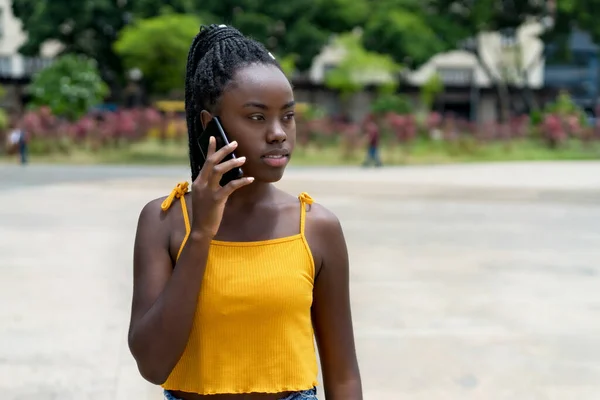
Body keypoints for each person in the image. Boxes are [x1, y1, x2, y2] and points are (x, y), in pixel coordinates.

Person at [128, 24, 363, 400]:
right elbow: (153, 365)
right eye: (257, 117)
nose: (278, 133)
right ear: (211, 126)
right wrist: (202, 233)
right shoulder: (166, 221)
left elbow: (344, 376)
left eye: (287, 116)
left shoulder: (317, 228)